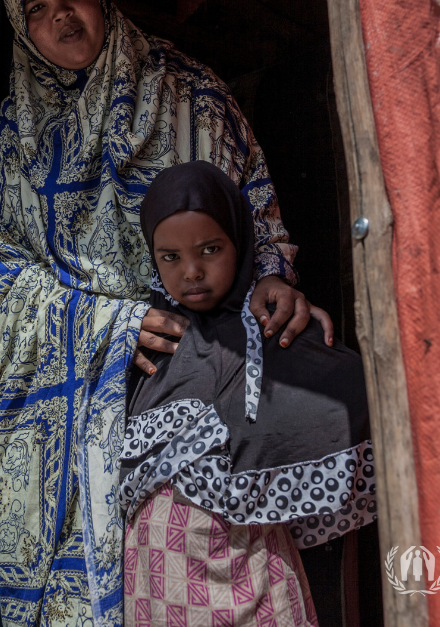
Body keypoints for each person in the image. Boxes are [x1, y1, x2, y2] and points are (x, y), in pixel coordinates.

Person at [0, 0, 332, 627]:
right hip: (96, 404)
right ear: (22, 27)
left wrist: (273, 276)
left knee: (235, 580)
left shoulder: (187, 96)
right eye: (37, 8)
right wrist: (109, 324)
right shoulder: (12, 147)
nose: (61, 16)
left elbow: (255, 213)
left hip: (210, 385)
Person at [121, 161, 374, 626]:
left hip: (253, 567)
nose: (192, 272)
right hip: (161, 571)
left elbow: (356, 392)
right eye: (170, 257)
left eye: (210, 249)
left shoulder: (270, 331)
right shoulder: (147, 345)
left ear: (241, 243)